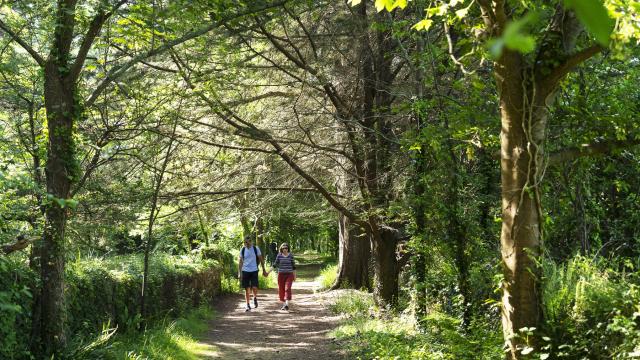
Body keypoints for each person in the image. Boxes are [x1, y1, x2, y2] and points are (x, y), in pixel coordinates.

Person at [238, 235, 267, 312]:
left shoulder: (255, 248)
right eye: (245, 242)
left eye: (248, 242)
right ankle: (247, 305)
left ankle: (255, 297)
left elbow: (261, 259)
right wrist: (239, 273)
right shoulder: (243, 250)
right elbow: (240, 262)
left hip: (254, 270)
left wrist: (264, 270)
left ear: (251, 242)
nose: (246, 244)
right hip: (245, 271)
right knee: (247, 289)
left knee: (254, 287)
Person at [269, 242, 296, 310]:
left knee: (287, 288)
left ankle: (287, 303)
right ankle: (284, 305)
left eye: (286, 248)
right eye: (283, 248)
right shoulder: (279, 255)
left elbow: (294, 267)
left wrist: (294, 276)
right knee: (281, 289)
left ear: (288, 249)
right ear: (281, 249)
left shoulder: (291, 256)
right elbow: (275, 265)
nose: (285, 249)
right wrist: (268, 272)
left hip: (289, 274)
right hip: (281, 274)